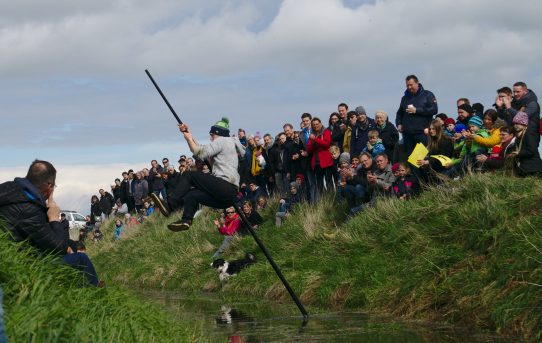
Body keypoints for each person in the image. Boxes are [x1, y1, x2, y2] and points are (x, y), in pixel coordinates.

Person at [0, 160, 101, 286]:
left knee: (72, 244)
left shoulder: (8, 188)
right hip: (24, 264)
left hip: (12, 253)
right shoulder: (28, 208)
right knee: (81, 259)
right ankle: (96, 294)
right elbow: (58, 248)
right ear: (49, 186)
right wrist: (54, 217)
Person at [154, 117, 245, 231]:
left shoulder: (223, 141)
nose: (210, 138)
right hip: (227, 198)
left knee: (188, 175)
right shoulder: (227, 144)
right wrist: (189, 135)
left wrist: (188, 139)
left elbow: (200, 153)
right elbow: (202, 149)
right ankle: (186, 220)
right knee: (192, 195)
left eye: (212, 135)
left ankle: (171, 205)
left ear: (218, 133)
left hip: (225, 186)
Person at [395, 75, 438, 157]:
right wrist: (399, 124)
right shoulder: (404, 98)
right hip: (408, 135)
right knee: (411, 162)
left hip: (422, 134)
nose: (409, 87)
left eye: (411, 85)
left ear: (417, 83)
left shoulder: (427, 95)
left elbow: (434, 110)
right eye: (407, 85)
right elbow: (399, 113)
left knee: (419, 160)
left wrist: (417, 110)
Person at [509, 112, 542, 176]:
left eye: (518, 123)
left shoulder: (530, 134)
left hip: (533, 169)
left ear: (524, 124)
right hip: (525, 169)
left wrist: (518, 153)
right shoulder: (519, 136)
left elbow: (531, 151)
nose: (515, 125)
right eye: (515, 123)